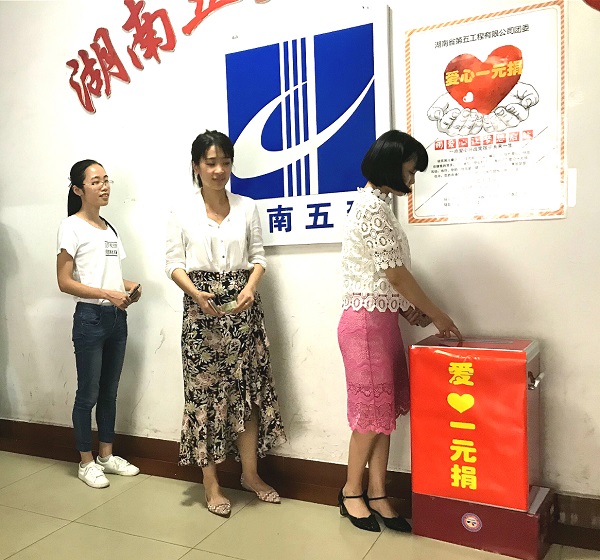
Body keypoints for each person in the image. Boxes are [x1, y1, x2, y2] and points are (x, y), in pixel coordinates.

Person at [337, 130, 462, 532]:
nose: (411, 179)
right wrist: (437, 315)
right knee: (369, 416)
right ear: (391, 167)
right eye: (409, 171)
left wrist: (407, 310)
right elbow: (395, 274)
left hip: (382, 322)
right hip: (365, 326)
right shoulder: (370, 209)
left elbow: (383, 276)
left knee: (384, 413)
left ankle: (377, 493)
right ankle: (351, 492)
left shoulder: (379, 206)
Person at [165, 130, 286, 518]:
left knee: (246, 393)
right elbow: (173, 263)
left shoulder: (247, 207)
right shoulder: (181, 211)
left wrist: (251, 286)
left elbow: (258, 256)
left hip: (244, 311)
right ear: (196, 166)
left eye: (225, 162)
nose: (219, 170)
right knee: (204, 397)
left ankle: (250, 474)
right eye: (211, 163)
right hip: (201, 313)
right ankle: (211, 482)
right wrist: (195, 293)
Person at [56, 160, 142, 489]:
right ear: (78, 189)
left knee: (109, 392)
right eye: (95, 181)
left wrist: (129, 287)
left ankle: (106, 456)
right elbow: (65, 281)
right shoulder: (71, 227)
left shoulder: (109, 228)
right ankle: (85, 462)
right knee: (87, 393)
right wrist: (108, 293)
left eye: (106, 180)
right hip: (90, 318)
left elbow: (110, 275)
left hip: (116, 318)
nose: (104, 186)